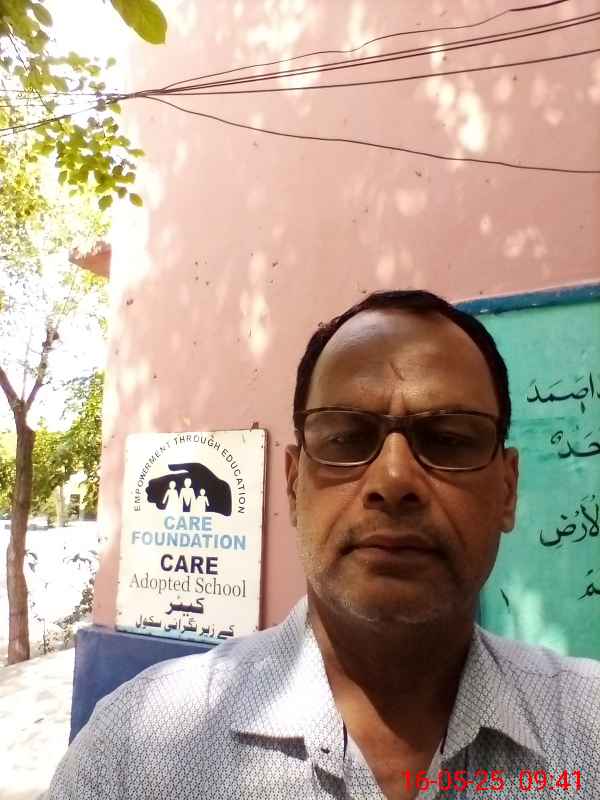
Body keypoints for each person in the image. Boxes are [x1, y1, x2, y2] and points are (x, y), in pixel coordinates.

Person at [47, 290, 600, 800]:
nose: (394, 479)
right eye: (345, 438)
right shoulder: (131, 754)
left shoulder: (588, 731)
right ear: (293, 485)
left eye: (450, 439)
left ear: (507, 489)